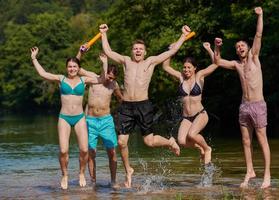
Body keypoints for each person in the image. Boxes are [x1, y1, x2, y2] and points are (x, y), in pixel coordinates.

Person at [99, 23, 191, 188]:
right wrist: (103, 34)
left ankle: (170, 142)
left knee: (148, 141)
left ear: (145, 51)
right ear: (132, 51)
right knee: (121, 142)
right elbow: (109, 52)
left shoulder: (150, 62)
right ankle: (128, 170)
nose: (138, 51)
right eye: (135, 49)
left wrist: (183, 36)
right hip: (126, 107)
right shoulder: (126, 61)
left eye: (140, 49)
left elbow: (172, 51)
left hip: (143, 106)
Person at [205, 7, 271, 189]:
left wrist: (260, 15)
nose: (240, 48)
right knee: (245, 141)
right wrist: (216, 47)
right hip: (244, 106)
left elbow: (258, 34)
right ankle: (250, 171)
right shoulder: (236, 64)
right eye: (237, 47)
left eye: (242, 46)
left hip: (258, 105)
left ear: (248, 48)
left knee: (262, 139)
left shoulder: (255, 58)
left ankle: (267, 175)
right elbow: (217, 62)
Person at [30, 47, 104, 190]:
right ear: (66, 68)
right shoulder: (61, 79)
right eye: (69, 66)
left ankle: (81, 173)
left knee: (84, 150)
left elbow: (102, 79)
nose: (72, 69)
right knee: (63, 150)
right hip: (64, 118)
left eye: (74, 66)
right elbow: (43, 73)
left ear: (78, 67)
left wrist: (103, 64)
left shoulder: (84, 80)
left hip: (79, 118)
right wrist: (34, 58)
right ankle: (64, 175)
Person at [162, 38, 221, 165]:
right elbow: (165, 66)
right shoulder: (181, 78)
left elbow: (216, 64)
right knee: (182, 141)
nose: (186, 70)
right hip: (187, 117)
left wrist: (210, 49)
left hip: (200, 114)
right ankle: (200, 148)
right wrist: (170, 50)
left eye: (189, 67)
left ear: (195, 68)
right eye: (184, 67)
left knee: (192, 134)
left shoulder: (200, 76)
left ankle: (207, 148)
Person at [77, 48, 123, 188]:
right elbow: (77, 68)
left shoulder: (114, 85)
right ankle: (93, 182)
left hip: (106, 121)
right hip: (90, 121)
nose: (109, 80)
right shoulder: (93, 78)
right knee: (91, 153)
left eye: (112, 78)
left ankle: (113, 181)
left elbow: (122, 99)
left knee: (112, 151)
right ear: (105, 72)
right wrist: (80, 52)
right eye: (109, 77)